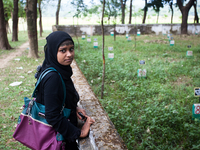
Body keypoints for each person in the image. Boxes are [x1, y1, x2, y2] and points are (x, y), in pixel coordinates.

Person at [36, 31, 95, 149]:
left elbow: (56, 99)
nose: (69, 54)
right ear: (53, 51)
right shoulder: (53, 77)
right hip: (59, 139)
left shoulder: (59, 69)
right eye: (63, 50)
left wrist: (73, 107)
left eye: (71, 49)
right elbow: (52, 116)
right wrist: (79, 133)